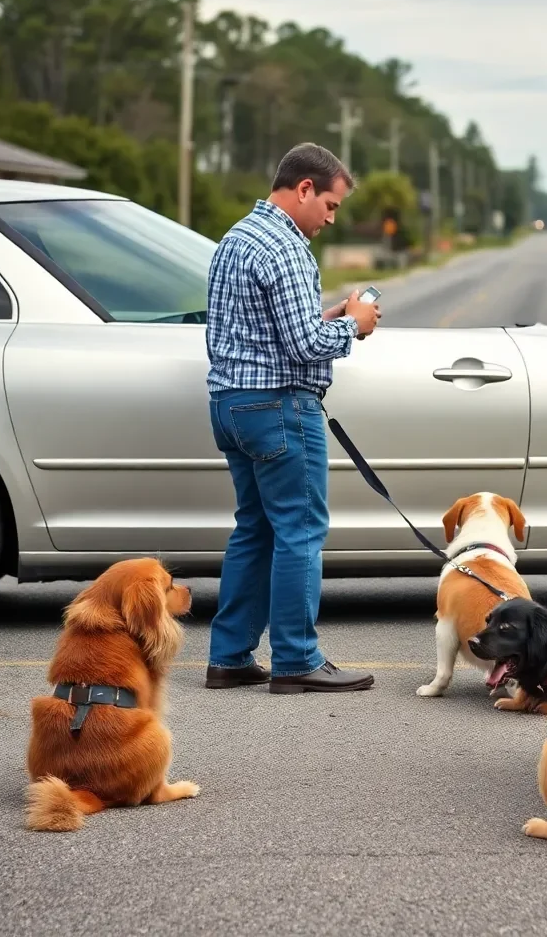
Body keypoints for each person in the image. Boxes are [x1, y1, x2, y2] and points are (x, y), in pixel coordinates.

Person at [204, 142, 380, 694]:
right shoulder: (287, 248)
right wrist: (357, 324)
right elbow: (306, 345)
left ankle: (229, 657)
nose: (331, 217)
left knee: (254, 530)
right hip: (279, 408)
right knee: (300, 532)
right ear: (304, 188)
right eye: (330, 205)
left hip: (231, 405)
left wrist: (330, 314)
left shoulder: (236, 238)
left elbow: (267, 328)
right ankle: (298, 659)